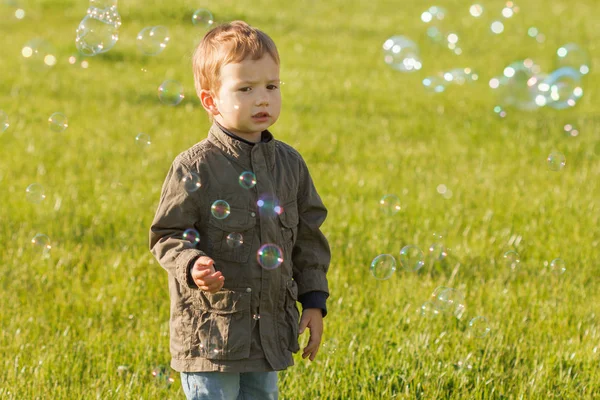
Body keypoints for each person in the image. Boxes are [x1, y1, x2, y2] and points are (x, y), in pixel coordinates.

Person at [149, 20, 331, 400]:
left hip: (269, 333)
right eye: (245, 89)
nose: (262, 98)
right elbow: (167, 234)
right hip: (212, 335)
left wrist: (313, 302)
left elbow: (309, 238)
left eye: (271, 86)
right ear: (211, 101)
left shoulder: (290, 165)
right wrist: (191, 263)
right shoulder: (195, 167)